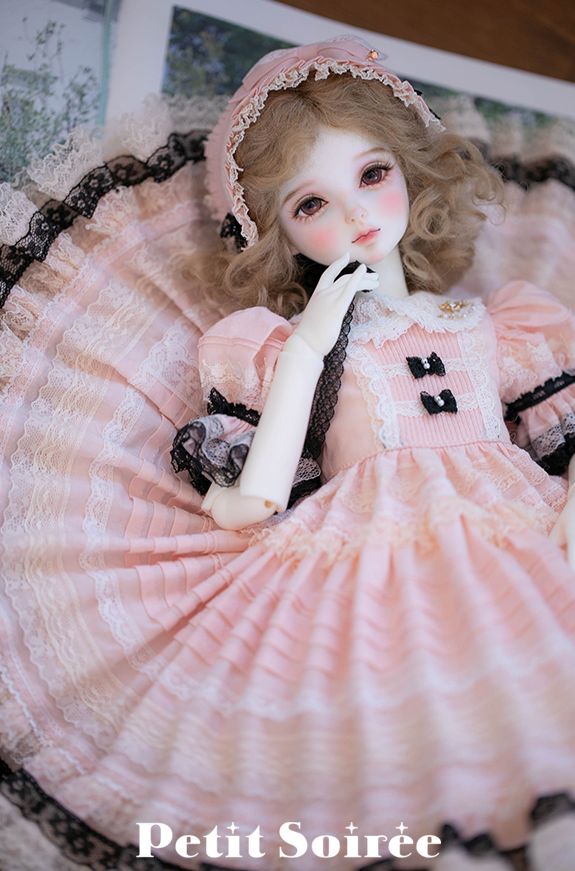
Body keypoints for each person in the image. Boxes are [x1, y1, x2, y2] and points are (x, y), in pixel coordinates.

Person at [1, 33, 575, 871]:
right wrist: (308, 344)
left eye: (372, 173)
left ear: (412, 168)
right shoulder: (284, 348)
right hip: (367, 554)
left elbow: (561, 438)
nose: (355, 214)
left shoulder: (499, 324)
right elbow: (256, 497)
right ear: (275, 231)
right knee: (400, 726)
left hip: (524, 533)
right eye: (310, 205)